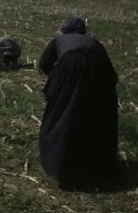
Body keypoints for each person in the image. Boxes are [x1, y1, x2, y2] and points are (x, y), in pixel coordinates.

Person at [37, 18, 118, 186]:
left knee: (63, 116)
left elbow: (44, 63)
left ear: (65, 30)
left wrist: (57, 79)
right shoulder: (94, 42)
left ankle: (61, 165)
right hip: (95, 72)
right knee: (94, 117)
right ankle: (95, 167)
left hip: (69, 67)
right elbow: (109, 72)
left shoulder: (58, 40)